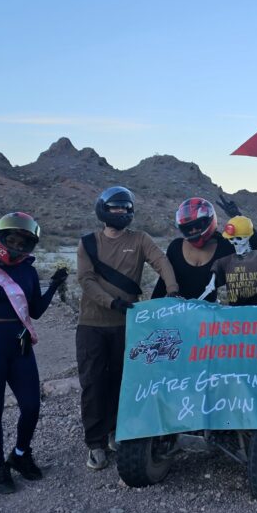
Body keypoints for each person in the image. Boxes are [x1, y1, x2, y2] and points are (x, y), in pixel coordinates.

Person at [0, 212, 67, 495]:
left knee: (31, 405)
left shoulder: (28, 271)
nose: (17, 244)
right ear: (1, 238)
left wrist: (54, 285)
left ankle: (20, 454)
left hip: (20, 347)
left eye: (23, 241)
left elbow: (36, 312)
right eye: (13, 239)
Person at [76, 186, 179, 471]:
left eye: (124, 208)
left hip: (128, 324)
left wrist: (172, 290)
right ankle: (95, 443)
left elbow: (161, 261)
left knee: (125, 382)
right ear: (103, 211)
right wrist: (111, 303)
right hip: (93, 324)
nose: (120, 213)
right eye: (115, 208)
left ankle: (116, 432)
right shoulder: (88, 243)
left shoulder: (140, 239)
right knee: (94, 383)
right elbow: (85, 280)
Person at [152, 197, 257, 302]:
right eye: (188, 228)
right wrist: (150, 312)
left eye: (198, 225)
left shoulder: (223, 247)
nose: (193, 231)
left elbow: (256, 243)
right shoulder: (175, 247)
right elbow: (162, 283)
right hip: (178, 314)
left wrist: (238, 217)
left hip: (208, 318)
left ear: (208, 222)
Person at [210, 215, 257, 305]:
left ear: (248, 237)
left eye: (239, 238)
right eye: (231, 239)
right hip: (235, 315)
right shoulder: (226, 262)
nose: (234, 242)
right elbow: (215, 271)